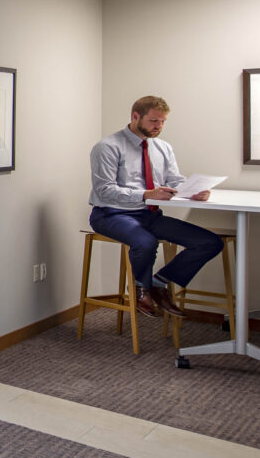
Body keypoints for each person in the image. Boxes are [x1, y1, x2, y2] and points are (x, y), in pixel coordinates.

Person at [89, 95, 221, 318]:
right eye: (153, 121)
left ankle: (158, 283)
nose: (159, 126)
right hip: (110, 214)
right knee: (146, 243)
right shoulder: (107, 147)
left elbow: (174, 179)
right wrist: (146, 194)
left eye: (163, 122)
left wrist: (193, 190)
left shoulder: (163, 148)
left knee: (210, 242)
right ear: (135, 116)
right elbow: (105, 190)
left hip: (149, 215)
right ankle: (141, 289)